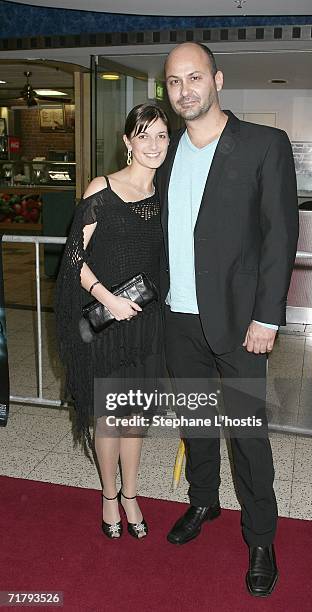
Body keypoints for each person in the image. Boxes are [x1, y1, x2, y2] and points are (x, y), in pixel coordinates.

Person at [156, 42, 299, 597]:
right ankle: (203, 501)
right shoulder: (164, 152)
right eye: (173, 82)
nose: (184, 90)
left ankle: (260, 536)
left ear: (216, 79)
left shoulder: (263, 144)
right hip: (178, 318)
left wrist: (268, 317)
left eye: (194, 78)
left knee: (247, 433)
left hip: (242, 322)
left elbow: (280, 237)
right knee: (195, 421)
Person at [55, 103, 170, 540]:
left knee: (135, 415)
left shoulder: (165, 196)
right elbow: (74, 258)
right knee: (110, 417)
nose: (153, 144)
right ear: (127, 142)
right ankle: (108, 496)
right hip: (106, 321)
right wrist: (108, 297)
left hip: (146, 325)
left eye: (161, 135)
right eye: (144, 135)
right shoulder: (101, 189)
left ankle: (131, 495)